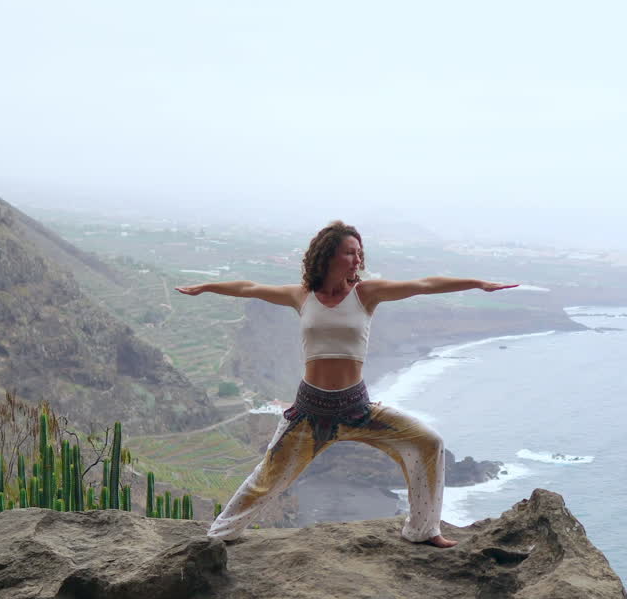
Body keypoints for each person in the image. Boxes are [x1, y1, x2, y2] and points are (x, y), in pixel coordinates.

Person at [175, 221, 517, 547]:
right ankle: (220, 534)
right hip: (310, 412)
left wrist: (477, 283)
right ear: (328, 255)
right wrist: (205, 287)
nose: (357, 259)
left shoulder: (366, 294)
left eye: (359, 253)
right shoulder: (302, 296)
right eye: (350, 252)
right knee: (266, 478)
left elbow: (424, 284)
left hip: (357, 408)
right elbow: (248, 288)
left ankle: (423, 530)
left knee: (429, 443)